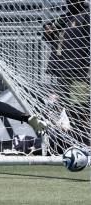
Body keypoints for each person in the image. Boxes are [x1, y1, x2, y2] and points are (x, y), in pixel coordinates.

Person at [42, 0, 90, 139]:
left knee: (79, 109)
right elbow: (51, 38)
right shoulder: (65, 17)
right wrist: (48, 30)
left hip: (79, 71)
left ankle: (86, 144)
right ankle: (76, 143)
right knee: (68, 110)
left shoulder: (86, 14)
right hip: (62, 70)